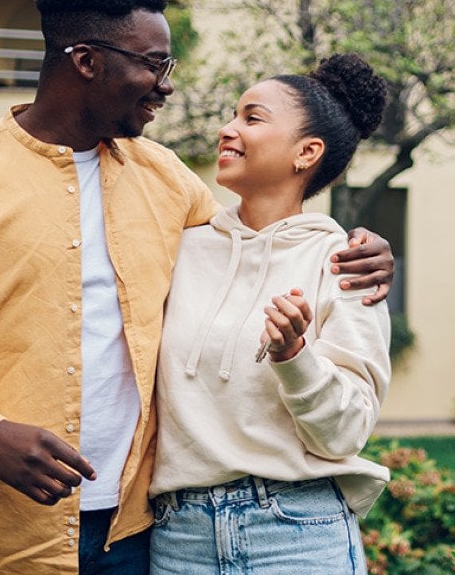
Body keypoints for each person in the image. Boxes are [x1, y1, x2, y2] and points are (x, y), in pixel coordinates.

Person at [0, 0, 392, 575]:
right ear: (87, 61)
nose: (166, 85)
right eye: (152, 65)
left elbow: (256, 242)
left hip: (140, 535)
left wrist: (360, 249)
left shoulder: (169, 181)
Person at [148, 53, 391, 574]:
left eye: (251, 118)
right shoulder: (181, 249)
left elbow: (347, 433)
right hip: (179, 537)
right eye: (233, 115)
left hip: (297, 534)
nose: (227, 129)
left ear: (306, 152)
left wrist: (295, 356)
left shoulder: (344, 264)